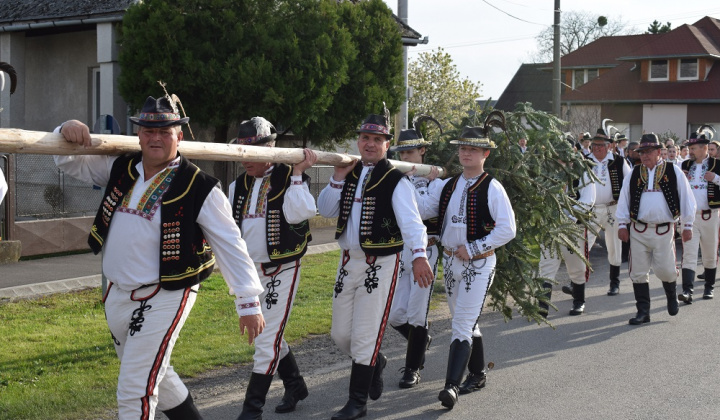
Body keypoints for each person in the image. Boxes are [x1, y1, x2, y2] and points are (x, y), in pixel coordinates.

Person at [54, 96, 265, 419]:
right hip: (117, 294)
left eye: (165, 131)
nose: (155, 138)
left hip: (166, 295)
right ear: (138, 135)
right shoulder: (119, 167)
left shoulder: (201, 186)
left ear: (179, 136)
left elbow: (231, 245)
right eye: (149, 130)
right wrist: (65, 129)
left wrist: (248, 302)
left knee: (135, 387)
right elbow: (68, 162)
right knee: (155, 372)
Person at [317, 112, 434, 420]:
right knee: (341, 334)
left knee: (366, 333)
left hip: (380, 263)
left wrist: (420, 255)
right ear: (359, 141)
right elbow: (325, 209)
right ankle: (375, 362)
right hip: (347, 263)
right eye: (365, 138)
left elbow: (411, 222)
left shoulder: (396, 179)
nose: (369, 144)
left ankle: (357, 403)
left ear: (386, 144)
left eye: (377, 139)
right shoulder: (350, 173)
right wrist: (337, 177)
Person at [228, 117, 318, 419]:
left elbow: (302, 213)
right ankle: (295, 385)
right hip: (250, 272)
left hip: (283, 268)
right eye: (243, 150)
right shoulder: (235, 186)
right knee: (271, 334)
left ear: (271, 147)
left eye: (255, 149)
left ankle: (251, 411)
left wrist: (297, 175)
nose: (248, 158)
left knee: (265, 340)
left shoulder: (289, 175)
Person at [425, 115, 516, 410]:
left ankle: (450, 386)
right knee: (465, 320)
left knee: (462, 323)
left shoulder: (493, 187)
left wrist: (476, 247)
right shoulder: (448, 185)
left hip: (479, 264)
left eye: (473, 150)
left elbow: (507, 229)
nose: (466, 153)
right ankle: (477, 374)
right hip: (451, 264)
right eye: (463, 148)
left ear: (485, 154)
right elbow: (427, 209)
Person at [616, 133, 696, 325]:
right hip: (638, 230)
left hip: (664, 230)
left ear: (659, 152)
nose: (644, 155)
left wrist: (687, 225)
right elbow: (624, 199)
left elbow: (687, 198)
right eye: (642, 152)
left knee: (667, 270)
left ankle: (671, 297)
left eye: (649, 151)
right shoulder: (635, 173)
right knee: (638, 271)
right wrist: (621, 224)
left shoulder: (673, 170)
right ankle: (643, 311)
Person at [386, 115, 441, 389]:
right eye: (401, 153)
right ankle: (421, 341)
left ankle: (412, 368)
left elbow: (423, 210)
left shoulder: (437, 182)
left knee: (418, 314)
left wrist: (412, 183)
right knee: (395, 315)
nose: (406, 157)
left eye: (410, 151)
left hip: (426, 250)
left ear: (422, 151)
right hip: (400, 252)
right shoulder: (395, 180)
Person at [540, 139, 596, 316]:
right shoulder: (548, 172)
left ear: (573, 151)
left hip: (574, 227)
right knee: (546, 264)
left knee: (576, 265)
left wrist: (568, 217)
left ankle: (579, 301)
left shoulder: (583, 172)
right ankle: (542, 307)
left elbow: (588, 200)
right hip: (551, 226)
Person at [587, 127, 631, 296]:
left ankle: (614, 283)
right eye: (594, 145)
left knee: (614, 245)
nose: (596, 148)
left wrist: (625, 210)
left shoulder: (618, 161)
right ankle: (576, 281)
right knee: (584, 243)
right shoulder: (584, 160)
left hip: (613, 207)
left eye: (600, 145)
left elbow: (628, 185)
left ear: (609, 146)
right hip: (591, 209)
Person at [679, 128, 720, 303]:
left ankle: (708, 287)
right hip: (690, 217)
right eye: (689, 148)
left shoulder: (717, 165)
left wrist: (716, 179)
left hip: (710, 215)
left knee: (709, 254)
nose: (690, 151)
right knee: (688, 253)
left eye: (693, 148)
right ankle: (687, 291)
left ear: (704, 148)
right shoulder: (685, 165)